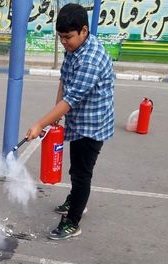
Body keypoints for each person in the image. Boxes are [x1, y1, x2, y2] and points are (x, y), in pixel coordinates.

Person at [26, 3, 114, 240]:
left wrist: (40, 124)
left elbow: (72, 99)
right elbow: (64, 82)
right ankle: (75, 198)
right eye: (61, 37)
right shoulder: (74, 49)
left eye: (68, 37)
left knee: (81, 173)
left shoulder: (90, 59)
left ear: (84, 31)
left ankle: (73, 221)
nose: (64, 42)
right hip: (78, 119)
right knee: (76, 169)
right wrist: (55, 116)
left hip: (93, 125)